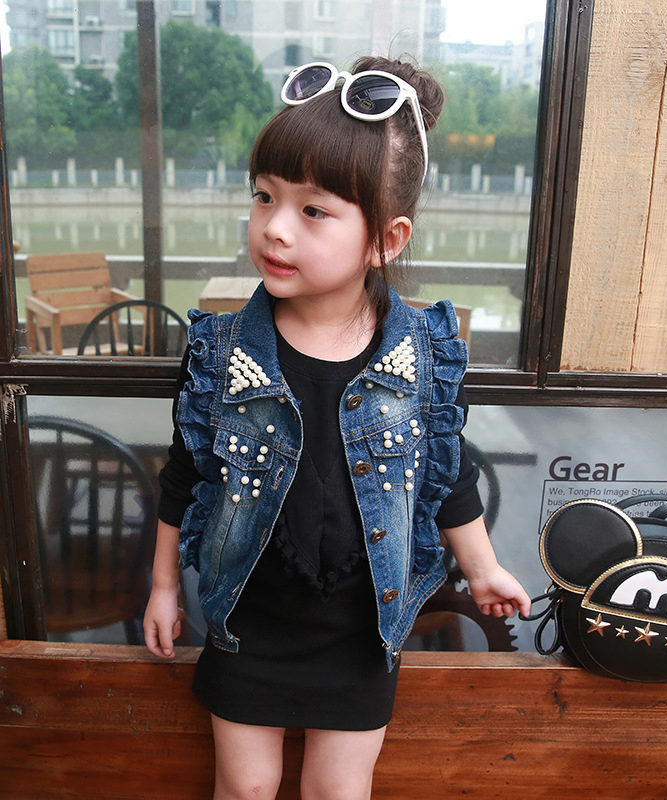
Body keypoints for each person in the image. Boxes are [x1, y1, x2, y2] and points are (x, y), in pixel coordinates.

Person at [143, 56, 531, 800]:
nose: (275, 228)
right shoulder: (221, 351)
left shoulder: (422, 353)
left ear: (386, 238)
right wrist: (165, 587)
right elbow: (184, 475)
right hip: (249, 620)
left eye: (313, 210)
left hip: (361, 630)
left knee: (338, 793)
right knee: (246, 788)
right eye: (264, 196)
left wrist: (482, 569)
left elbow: (445, 473)